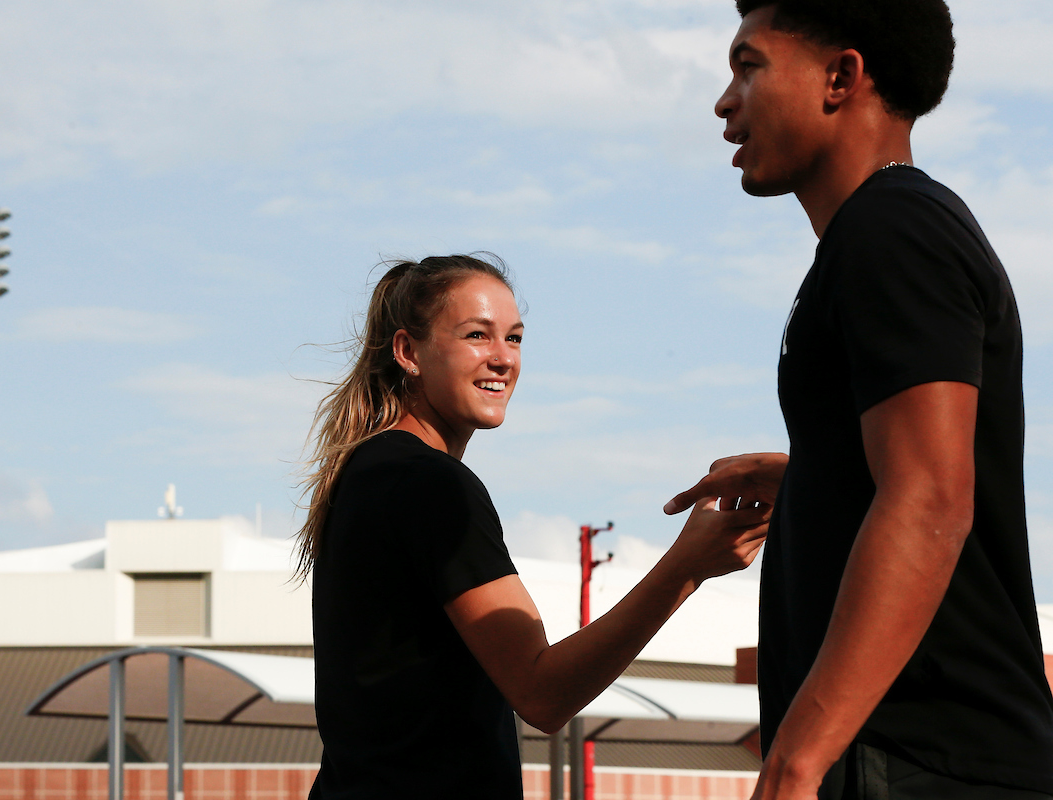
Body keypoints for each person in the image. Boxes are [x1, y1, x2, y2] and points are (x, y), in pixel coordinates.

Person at [664, 2, 1053, 798]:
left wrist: (797, 762)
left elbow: (930, 498)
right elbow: (912, 471)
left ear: (841, 77)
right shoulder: (875, 236)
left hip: (919, 760)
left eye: (749, 65)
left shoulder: (893, 228)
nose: (725, 100)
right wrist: (814, 479)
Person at [298, 253, 771, 799]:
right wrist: (686, 568)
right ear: (409, 352)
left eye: (515, 338)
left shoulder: (369, 471)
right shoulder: (429, 484)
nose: (503, 358)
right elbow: (543, 693)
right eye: (478, 335)